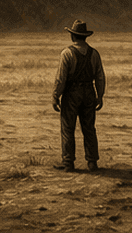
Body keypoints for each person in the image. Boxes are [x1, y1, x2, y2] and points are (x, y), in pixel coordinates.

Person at [51, 19, 105, 171]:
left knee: (68, 128)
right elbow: (100, 77)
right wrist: (100, 96)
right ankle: (92, 162)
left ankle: (68, 163)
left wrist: (55, 96)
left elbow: (61, 78)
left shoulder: (66, 53)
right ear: (85, 36)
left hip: (71, 94)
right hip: (89, 92)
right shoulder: (94, 54)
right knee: (89, 128)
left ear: (73, 36)